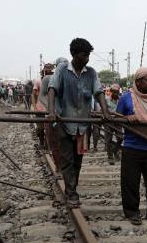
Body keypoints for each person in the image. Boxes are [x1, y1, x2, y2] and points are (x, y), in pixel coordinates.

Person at [47, 39, 111, 207]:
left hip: (82, 126)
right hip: (64, 122)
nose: (87, 58)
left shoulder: (91, 73)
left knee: (78, 160)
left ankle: (72, 186)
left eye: (88, 55)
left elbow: (98, 92)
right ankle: (71, 192)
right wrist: (51, 112)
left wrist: (105, 113)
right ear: (74, 54)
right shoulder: (62, 69)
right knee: (67, 159)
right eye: (84, 55)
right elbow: (52, 89)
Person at [116, 67, 147, 225]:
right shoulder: (126, 98)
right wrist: (126, 118)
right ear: (138, 82)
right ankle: (132, 213)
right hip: (132, 147)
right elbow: (116, 119)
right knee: (130, 182)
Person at [105, 84, 123, 164]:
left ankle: (115, 150)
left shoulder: (121, 100)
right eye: (114, 92)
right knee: (108, 140)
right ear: (111, 92)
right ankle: (110, 157)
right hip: (109, 122)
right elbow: (103, 110)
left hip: (118, 122)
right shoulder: (106, 100)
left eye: (117, 92)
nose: (116, 94)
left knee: (120, 138)